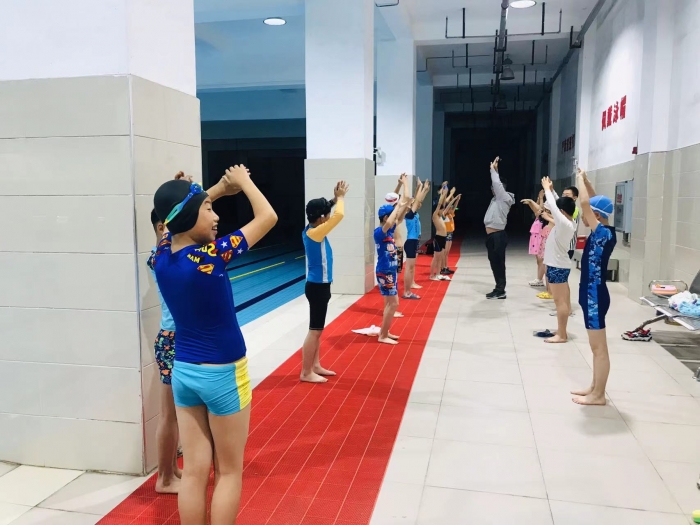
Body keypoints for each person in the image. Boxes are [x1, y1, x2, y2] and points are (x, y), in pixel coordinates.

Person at [152, 165, 277, 524]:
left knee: (193, 472)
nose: (216, 215)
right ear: (189, 215)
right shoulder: (212, 255)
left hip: (184, 373)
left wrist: (217, 190)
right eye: (208, 209)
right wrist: (243, 181)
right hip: (223, 374)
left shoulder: (161, 256)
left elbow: (173, 221)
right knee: (228, 471)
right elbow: (268, 217)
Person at [571, 168, 616, 406]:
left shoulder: (602, 234)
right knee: (595, 347)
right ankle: (594, 387)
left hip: (594, 295)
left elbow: (586, 203)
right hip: (591, 293)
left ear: (596, 216)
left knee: (599, 348)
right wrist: (587, 181)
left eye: (587, 216)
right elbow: (593, 203)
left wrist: (579, 180)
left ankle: (599, 395)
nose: (584, 218)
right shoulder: (605, 230)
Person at [300, 181, 349, 383]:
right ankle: (306, 372)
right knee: (315, 331)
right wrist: (342, 199)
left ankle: (315, 365)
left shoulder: (311, 228)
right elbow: (339, 215)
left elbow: (328, 212)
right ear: (321, 218)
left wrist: (335, 198)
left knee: (317, 330)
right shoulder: (315, 233)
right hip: (317, 287)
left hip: (318, 286)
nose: (329, 217)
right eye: (326, 215)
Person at [148, 209, 182, 494]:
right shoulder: (160, 258)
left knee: (177, 414)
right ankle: (164, 478)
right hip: (172, 339)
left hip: (176, 337)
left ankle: (172, 469)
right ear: (163, 228)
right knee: (169, 414)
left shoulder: (165, 256)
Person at [540, 176, 577, 343]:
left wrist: (547, 189)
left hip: (557, 266)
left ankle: (562, 335)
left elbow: (554, 206)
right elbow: (556, 205)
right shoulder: (567, 222)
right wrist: (552, 190)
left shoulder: (564, 223)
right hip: (558, 265)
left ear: (562, 212)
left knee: (559, 302)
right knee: (562, 301)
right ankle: (561, 330)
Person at [375, 198, 411, 345]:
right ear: (385, 218)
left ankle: (384, 331)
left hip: (390, 271)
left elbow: (399, 219)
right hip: (385, 272)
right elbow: (391, 221)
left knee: (391, 304)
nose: (394, 219)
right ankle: (383, 335)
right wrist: (397, 206)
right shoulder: (379, 232)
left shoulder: (389, 231)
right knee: (394, 304)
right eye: (391, 216)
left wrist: (404, 206)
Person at [484, 156, 515, 299]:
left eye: (494, 187)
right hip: (492, 236)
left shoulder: (504, 198)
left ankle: (500, 290)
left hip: (498, 236)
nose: (492, 189)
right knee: (494, 263)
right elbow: (497, 184)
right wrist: (496, 170)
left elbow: (497, 184)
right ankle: (498, 287)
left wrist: (492, 170)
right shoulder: (496, 199)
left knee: (499, 263)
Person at [402, 179, 431, 299]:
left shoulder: (414, 214)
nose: (416, 204)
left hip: (415, 242)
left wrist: (424, 190)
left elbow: (418, 200)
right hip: (410, 242)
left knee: (411, 268)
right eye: (412, 204)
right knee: (409, 268)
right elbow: (417, 200)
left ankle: (411, 284)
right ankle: (406, 292)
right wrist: (422, 188)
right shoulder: (408, 215)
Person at [430, 187, 458, 281]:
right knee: (436, 258)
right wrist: (443, 194)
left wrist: (454, 198)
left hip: (443, 238)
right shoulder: (435, 216)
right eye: (441, 210)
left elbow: (447, 205)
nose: (443, 211)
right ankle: (431, 275)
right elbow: (439, 204)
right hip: (438, 238)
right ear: (437, 210)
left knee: (440, 257)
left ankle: (438, 274)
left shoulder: (441, 215)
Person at [522, 190, 546, 287]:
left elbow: (540, 210)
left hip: (541, 237)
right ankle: (539, 278)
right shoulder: (539, 216)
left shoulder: (544, 215)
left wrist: (534, 200)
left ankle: (539, 279)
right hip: (536, 237)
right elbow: (536, 209)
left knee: (541, 260)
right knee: (539, 260)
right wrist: (531, 203)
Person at [441, 194, 460, 276]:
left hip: (450, 234)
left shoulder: (450, 214)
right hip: (446, 234)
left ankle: (446, 267)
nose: (451, 208)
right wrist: (454, 198)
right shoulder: (444, 215)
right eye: (449, 208)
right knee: (444, 252)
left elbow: (454, 207)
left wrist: (457, 200)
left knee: (447, 252)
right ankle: (443, 268)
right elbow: (448, 207)